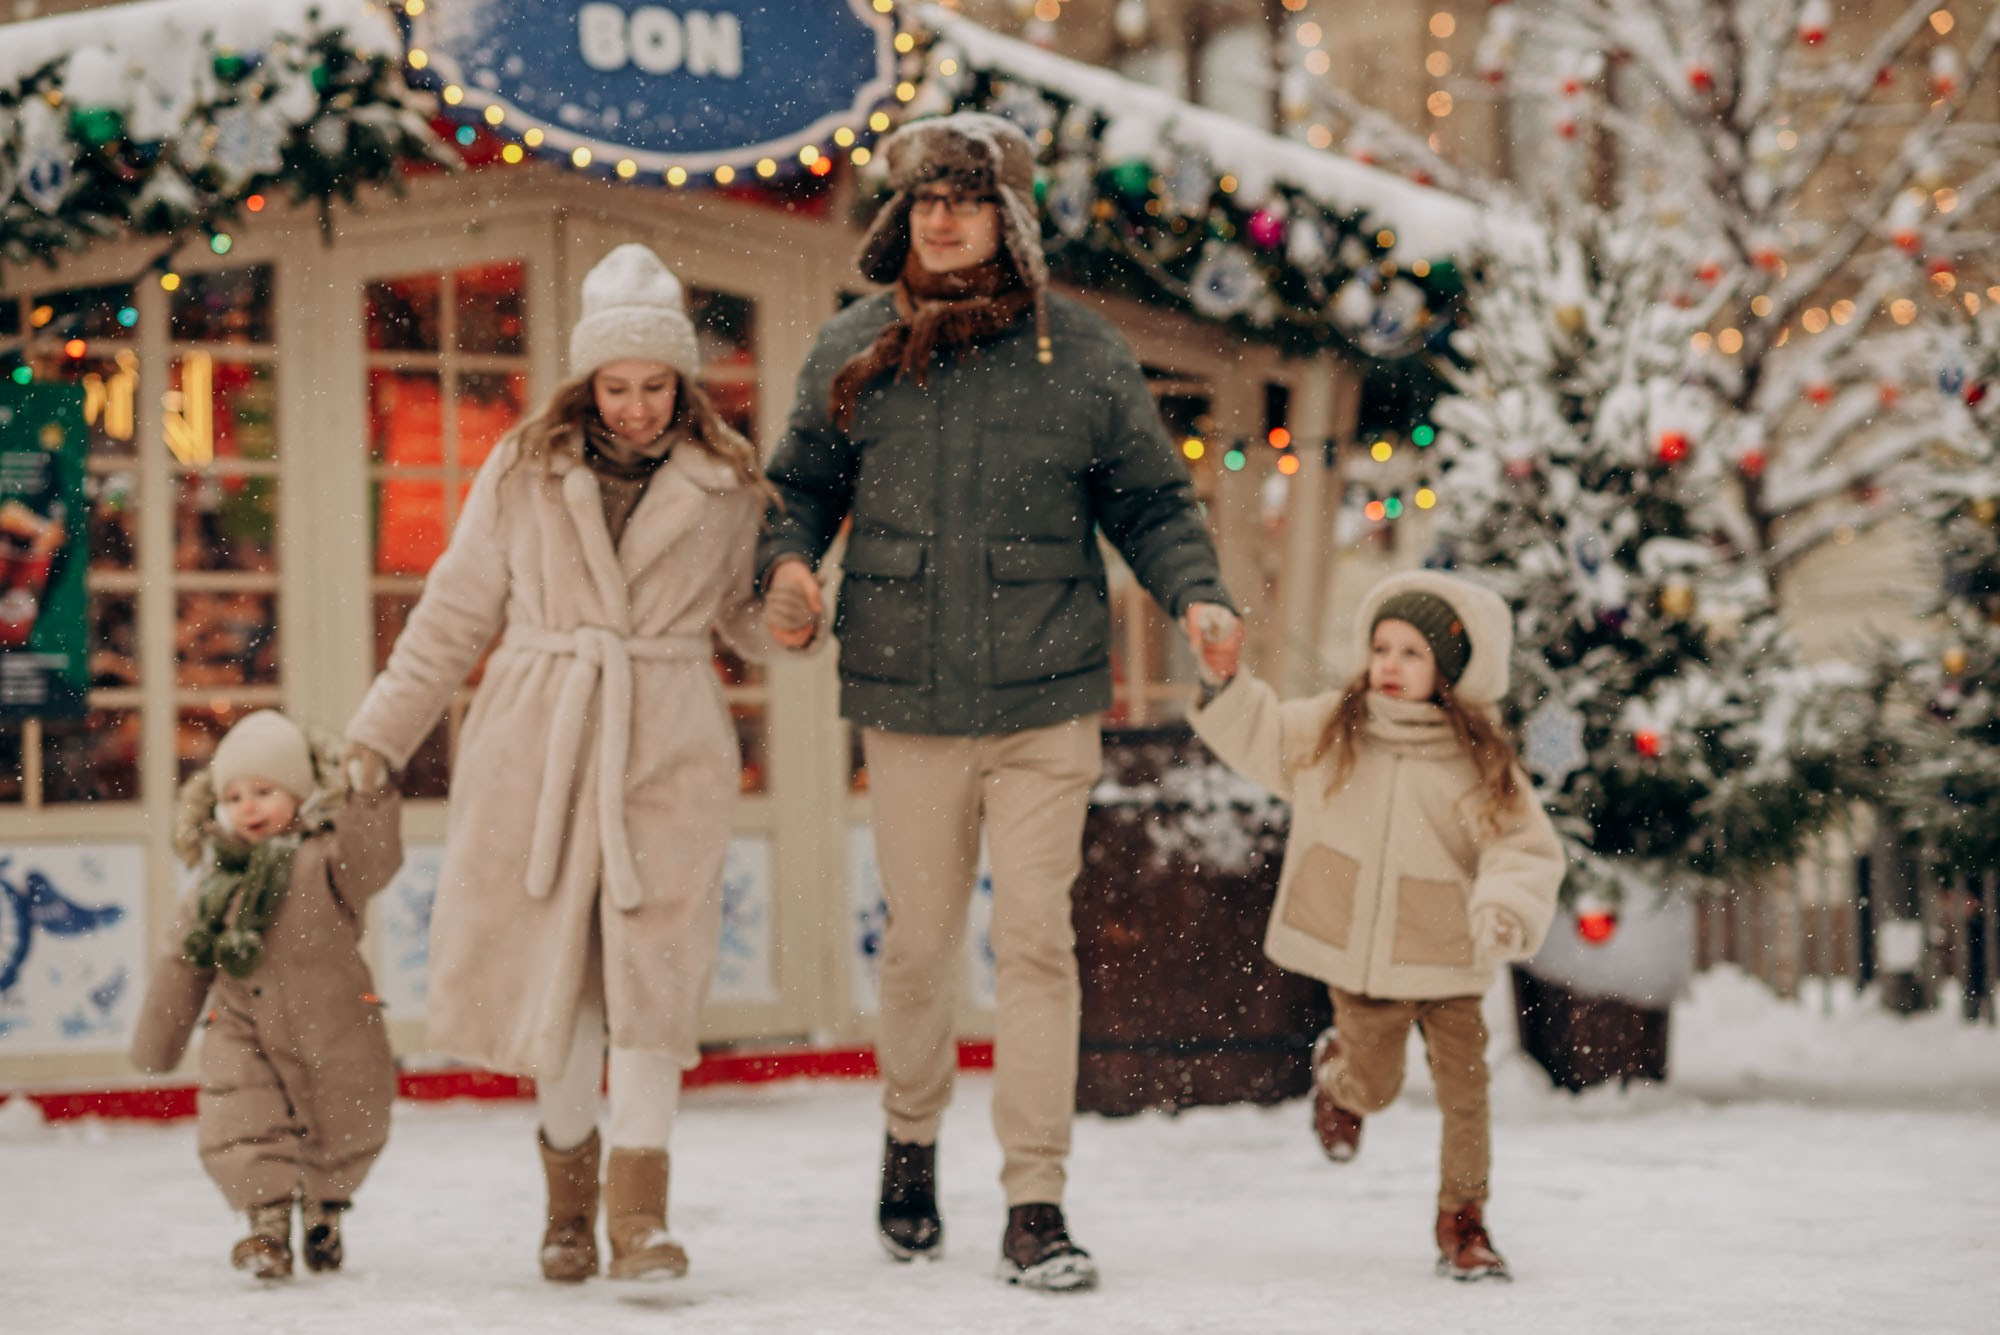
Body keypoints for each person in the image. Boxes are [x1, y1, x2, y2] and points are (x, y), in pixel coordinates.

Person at [758, 111, 1244, 1292]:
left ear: (1010, 220)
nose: (942, 218)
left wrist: (1195, 596)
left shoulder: (1075, 353)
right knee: (921, 943)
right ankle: (910, 1139)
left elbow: (1151, 502)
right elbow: (797, 492)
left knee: (1036, 941)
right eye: (925, 200)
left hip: (1046, 692)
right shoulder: (850, 346)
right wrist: (784, 569)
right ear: (900, 216)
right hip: (907, 692)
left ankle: (1035, 1199)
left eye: (965, 200)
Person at [344, 244, 797, 1284]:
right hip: (537, 733)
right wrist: (377, 736)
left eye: (654, 386)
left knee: (654, 978)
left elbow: (746, 624)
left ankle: (639, 1217)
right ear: (586, 382)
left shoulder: (727, 484)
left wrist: (792, 614)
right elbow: (455, 615)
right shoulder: (522, 468)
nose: (635, 408)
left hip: (667, 735)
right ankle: (566, 1203)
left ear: (682, 383)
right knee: (560, 985)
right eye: (616, 385)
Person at [1188, 569, 1564, 1282]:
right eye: (1381, 648)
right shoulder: (1335, 728)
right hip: (1363, 956)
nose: (1389, 665)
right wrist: (1223, 684)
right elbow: (1264, 735)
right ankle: (1339, 1080)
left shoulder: (1481, 760)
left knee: (1466, 1090)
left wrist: (1505, 906)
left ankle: (1464, 1219)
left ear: (1449, 671)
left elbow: (1522, 845)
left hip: (1450, 952)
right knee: (1378, 1086)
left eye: (1412, 652)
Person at [130, 710, 403, 1280]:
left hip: (335, 1021)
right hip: (243, 1025)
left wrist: (370, 797)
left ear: (300, 794)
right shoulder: (216, 881)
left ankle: (326, 1213)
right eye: (234, 796)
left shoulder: (329, 861)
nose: (248, 806)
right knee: (243, 1120)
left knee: (345, 1121)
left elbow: (373, 859)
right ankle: (267, 1227)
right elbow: (183, 960)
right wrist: (157, 1043)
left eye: (263, 791)